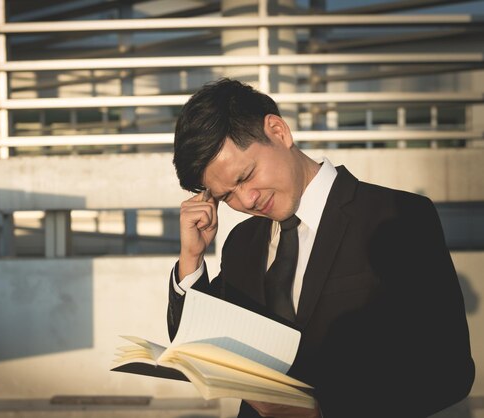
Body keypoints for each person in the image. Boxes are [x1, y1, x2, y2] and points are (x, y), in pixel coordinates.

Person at [166, 78, 474, 418]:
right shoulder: (241, 242)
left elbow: (450, 372)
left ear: (278, 131)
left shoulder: (398, 216)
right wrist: (191, 258)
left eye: (245, 176)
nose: (247, 200)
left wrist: (323, 411)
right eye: (226, 197)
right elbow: (200, 345)